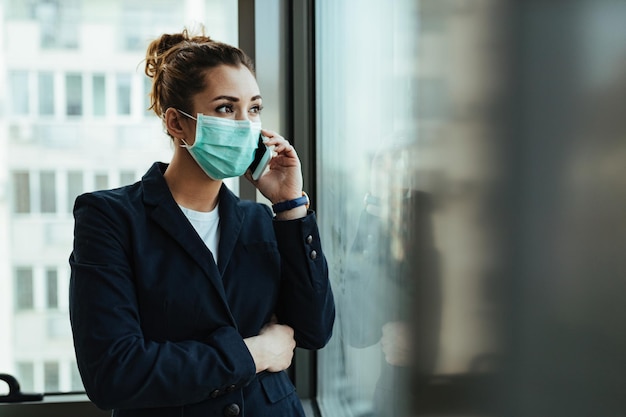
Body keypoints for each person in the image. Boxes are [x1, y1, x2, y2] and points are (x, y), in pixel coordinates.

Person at [68, 27, 335, 417]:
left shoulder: (261, 220)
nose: (246, 125)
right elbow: (114, 373)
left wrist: (290, 205)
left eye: (255, 108)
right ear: (177, 123)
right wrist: (253, 353)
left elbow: (313, 330)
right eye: (227, 108)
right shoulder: (110, 218)